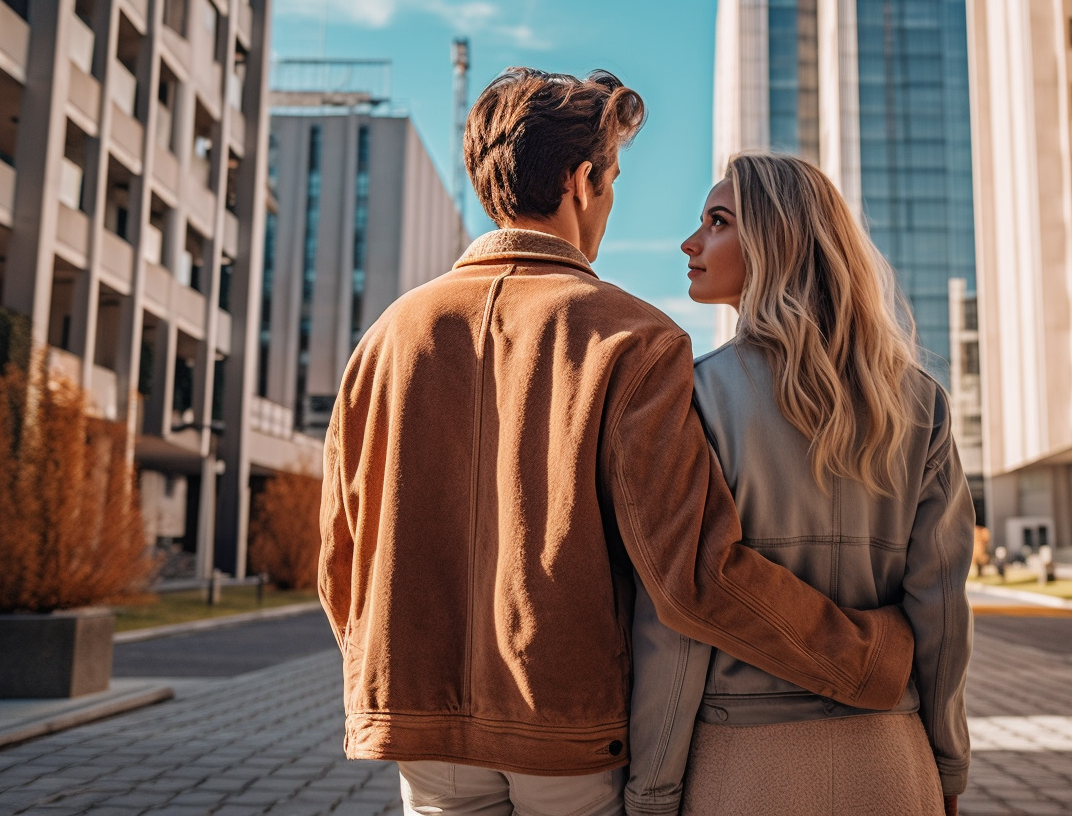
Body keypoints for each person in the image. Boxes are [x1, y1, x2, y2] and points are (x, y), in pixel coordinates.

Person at [318, 70, 917, 816]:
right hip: (564, 727)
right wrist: (869, 659)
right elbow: (693, 575)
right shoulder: (632, 337)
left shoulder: (386, 338)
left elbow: (341, 558)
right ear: (580, 181)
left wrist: (395, 683)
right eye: (613, 177)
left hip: (419, 732)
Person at [626, 152, 975, 816]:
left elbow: (676, 620)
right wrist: (948, 762)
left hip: (741, 766)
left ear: (775, 241)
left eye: (718, 222)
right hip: (893, 762)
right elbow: (943, 610)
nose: (690, 242)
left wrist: (653, 789)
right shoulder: (921, 401)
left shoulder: (693, 397)